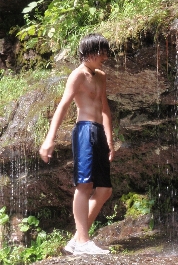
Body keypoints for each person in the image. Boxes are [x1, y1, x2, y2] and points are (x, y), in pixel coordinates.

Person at [39, 33, 114, 255]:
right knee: (84, 185)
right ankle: (83, 241)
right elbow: (63, 106)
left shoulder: (100, 76)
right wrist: (49, 138)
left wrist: (109, 137)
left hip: (99, 132)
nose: (105, 56)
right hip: (84, 131)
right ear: (89, 52)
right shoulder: (77, 76)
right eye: (101, 52)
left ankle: (77, 240)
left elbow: (105, 108)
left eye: (106, 52)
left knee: (105, 189)